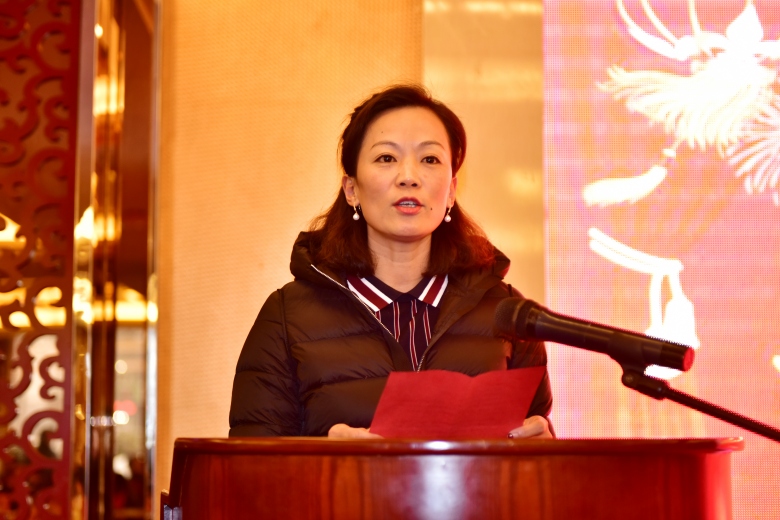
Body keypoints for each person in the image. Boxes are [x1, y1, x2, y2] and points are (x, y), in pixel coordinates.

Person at [229, 84, 553, 439]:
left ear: (451, 191)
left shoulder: (509, 316)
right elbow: (249, 463)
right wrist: (324, 457)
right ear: (351, 189)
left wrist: (542, 450)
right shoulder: (287, 318)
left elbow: (535, 443)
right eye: (386, 158)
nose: (409, 177)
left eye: (429, 159)